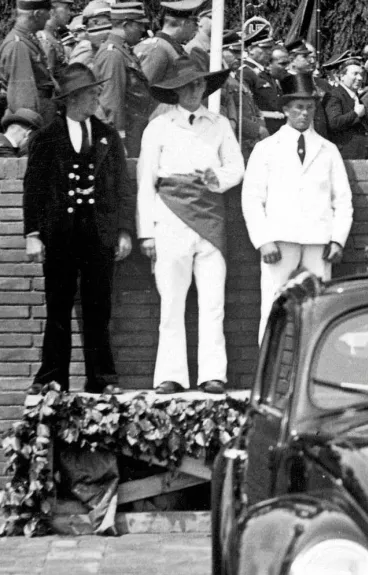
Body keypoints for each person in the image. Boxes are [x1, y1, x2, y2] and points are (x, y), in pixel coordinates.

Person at [136, 55, 245, 394]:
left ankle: (213, 374)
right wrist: (147, 233)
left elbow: (236, 168)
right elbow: (145, 182)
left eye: (200, 83)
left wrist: (218, 178)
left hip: (211, 218)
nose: (195, 89)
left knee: (213, 302)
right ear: (175, 91)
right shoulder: (159, 127)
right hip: (170, 217)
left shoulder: (219, 124)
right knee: (171, 302)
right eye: (188, 85)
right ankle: (171, 375)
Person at [23, 64, 133, 395]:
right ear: (72, 99)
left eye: (96, 92)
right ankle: (52, 377)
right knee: (58, 307)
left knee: (98, 308)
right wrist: (32, 234)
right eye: (90, 93)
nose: (96, 98)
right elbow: (34, 189)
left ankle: (102, 378)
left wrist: (124, 230)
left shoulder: (107, 136)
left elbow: (121, 188)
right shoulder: (46, 138)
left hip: (98, 235)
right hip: (60, 235)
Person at [242, 72, 354, 341]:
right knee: (273, 304)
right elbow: (252, 198)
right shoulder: (266, 148)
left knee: (318, 306)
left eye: (309, 107)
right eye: (298, 107)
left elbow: (342, 199)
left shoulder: (328, 149)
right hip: (279, 241)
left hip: (319, 240)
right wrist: (263, 240)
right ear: (285, 110)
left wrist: (337, 240)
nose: (304, 113)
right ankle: (267, 373)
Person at [92, 1, 153, 157]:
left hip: (135, 132)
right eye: (139, 24)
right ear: (126, 24)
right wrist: (118, 142)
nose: (142, 29)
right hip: (126, 138)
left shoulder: (123, 51)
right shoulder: (113, 54)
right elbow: (111, 103)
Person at [0, 0, 56, 124]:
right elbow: (23, 100)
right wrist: (33, 130)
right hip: (34, 122)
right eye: (47, 13)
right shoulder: (18, 45)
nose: (49, 17)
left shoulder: (28, 39)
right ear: (37, 14)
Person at [323, 53, 368, 159]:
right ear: (342, 76)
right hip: (347, 157)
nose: (360, 78)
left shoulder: (356, 97)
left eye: (361, 74)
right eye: (355, 74)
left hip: (364, 157)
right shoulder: (334, 95)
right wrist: (355, 114)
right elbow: (334, 123)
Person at [134, 0, 199, 89]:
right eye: (195, 23)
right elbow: (145, 92)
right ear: (185, 23)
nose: (196, 28)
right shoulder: (158, 50)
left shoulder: (167, 47)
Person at [36, 0, 70, 76]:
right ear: (52, 11)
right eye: (66, 8)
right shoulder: (44, 38)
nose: (69, 13)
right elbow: (47, 78)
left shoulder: (54, 34)